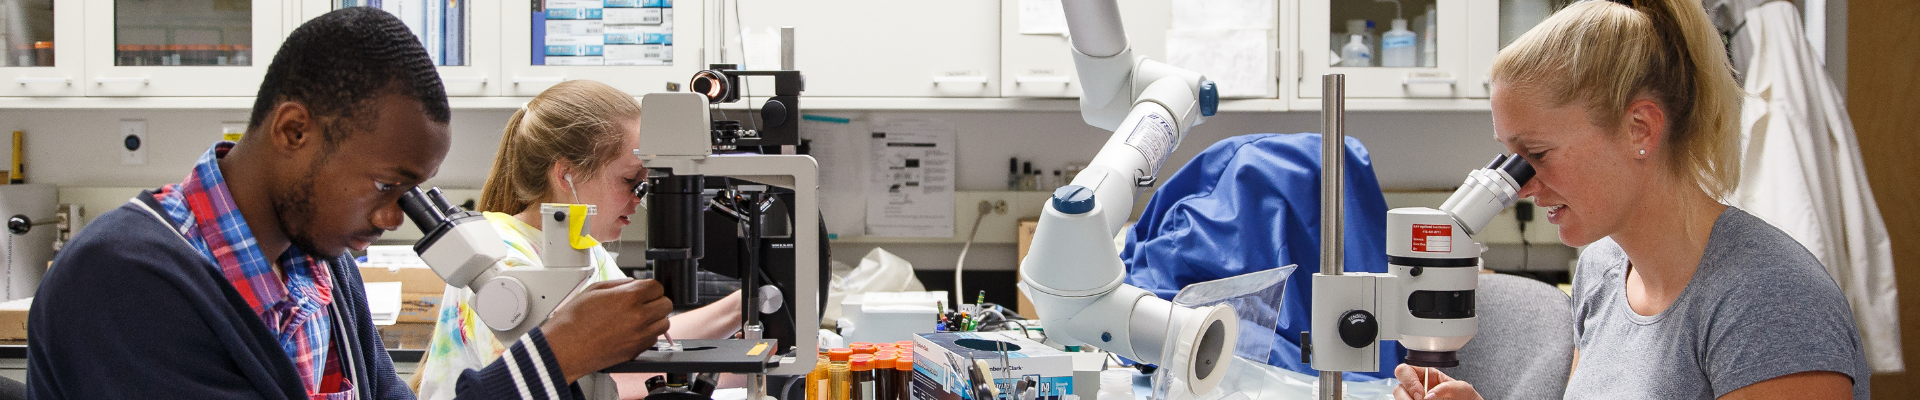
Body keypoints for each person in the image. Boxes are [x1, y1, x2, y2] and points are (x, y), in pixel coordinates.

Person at [26, 8, 671, 399]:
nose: (393, 218)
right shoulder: (124, 280)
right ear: (293, 131)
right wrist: (554, 356)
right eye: (385, 185)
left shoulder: (320, 270)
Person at [1393, 0, 1869, 399]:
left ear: (1639, 128)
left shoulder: (1768, 301)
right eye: (1510, 157)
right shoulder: (1602, 268)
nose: (1522, 184)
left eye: (1535, 153)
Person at [414, 80, 744, 400]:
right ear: (565, 175)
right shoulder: (498, 258)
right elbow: (574, 373)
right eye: (631, 180)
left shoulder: (584, 249)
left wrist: (746, 304)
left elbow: (645, 339)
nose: (640, 198)